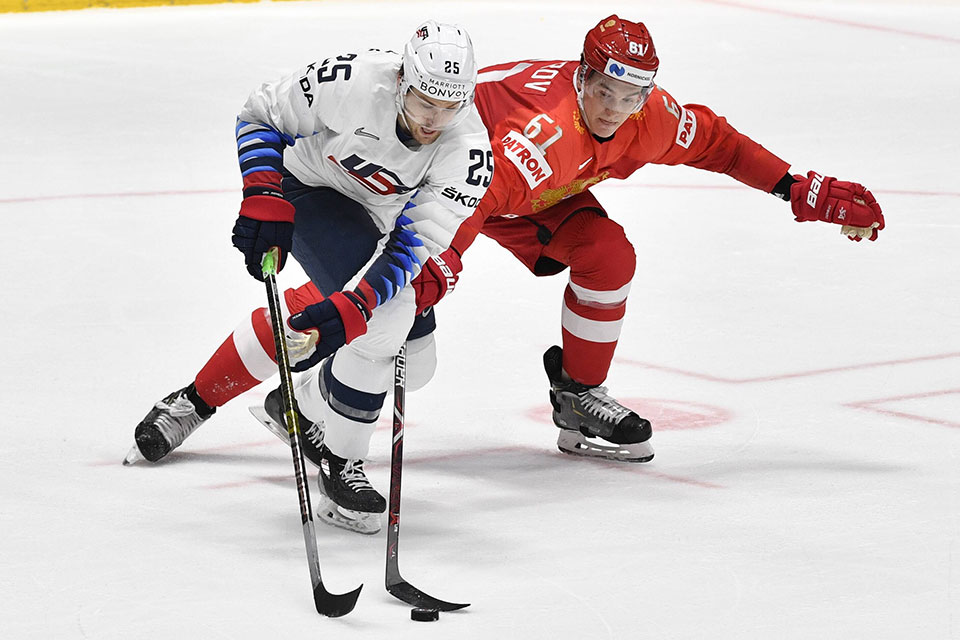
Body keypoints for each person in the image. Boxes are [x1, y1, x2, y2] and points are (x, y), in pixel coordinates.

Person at [409, 14, 884, 464]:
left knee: (608, 254)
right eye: (603, 92)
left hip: (524, 194)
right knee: (404, 337)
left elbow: (721, 144)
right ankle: (341, 398)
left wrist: (793, 187)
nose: (614, 110)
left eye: (630, 97)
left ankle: (579, 395)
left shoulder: (649, 117)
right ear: (582, 78)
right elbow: (475, 200)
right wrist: (440, 262)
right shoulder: (544, 134)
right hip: (436, 177)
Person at [124, 20, 491, 535]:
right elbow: (259, 114)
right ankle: (339, 462)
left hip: (385, 218)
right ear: (402, 79)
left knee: (416, 359)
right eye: (424, 101)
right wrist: (262, 192)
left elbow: (413, 244)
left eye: (449, 106)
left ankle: (292, 400)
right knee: (386, 323)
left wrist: (351, 309)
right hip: (311, 185)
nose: (434, 119)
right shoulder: (356, 80)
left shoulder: (469, 152)